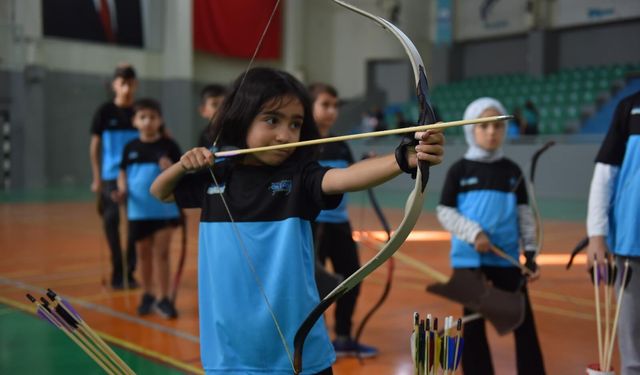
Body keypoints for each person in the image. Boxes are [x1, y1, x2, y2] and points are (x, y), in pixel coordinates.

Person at [150, 67, 444, 374]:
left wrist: (404, 158)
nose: (285, 135)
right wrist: (184, 166)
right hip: (230, 356)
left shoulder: (299, 177)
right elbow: (160, 191)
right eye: (272, 120)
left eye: (295, 124)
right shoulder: (215, 176)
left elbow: (344, 177)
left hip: (301, 356)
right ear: (241, 116)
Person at [436, 97, 545, 375]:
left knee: (523, 323)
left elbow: (524, 216)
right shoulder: (459, 170)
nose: (491, 132)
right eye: (483, 125)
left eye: (497, 125)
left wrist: (530, 254)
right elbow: (445, 212)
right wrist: (475, 234)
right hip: (469, 261)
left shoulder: (512, 171)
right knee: (472, 329)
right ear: (471, 129)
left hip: (506, 260)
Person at [307, 82, 378, 358]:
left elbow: (349, 176)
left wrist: (365, 164)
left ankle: (344, 336)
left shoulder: (339, 146)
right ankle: (316, 338)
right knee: (316, 283)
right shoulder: (303, 144)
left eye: (335, 105)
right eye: (325, 104)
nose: (331, 111)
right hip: (314, 224)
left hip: (340, 223)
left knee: (352, 277)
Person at [586, 90, 640, 375]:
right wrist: (597, 235)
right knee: (632, 339)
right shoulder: (630, 107)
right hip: (632, 244)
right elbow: (605, 174)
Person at [114, 98, 182, 318]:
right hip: (138, 212)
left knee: (161, 254)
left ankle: (164, 298)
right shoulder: (130, 148)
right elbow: (122, 174)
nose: (148, 121)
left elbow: (182, 173)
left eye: (152, 117)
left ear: (160, 120)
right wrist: (122, 189)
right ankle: (148, 294)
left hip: (164, 211)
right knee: (143, 256)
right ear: (135, 121)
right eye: (143, 117)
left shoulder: (169, 146)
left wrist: (170, 167)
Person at [89, 64, 139, 290]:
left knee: (135, 225)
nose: (126, 87)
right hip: (110, 177)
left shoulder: (141, 113)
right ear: (114, 86)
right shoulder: (104, 112)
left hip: (135, 177)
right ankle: (118, 272)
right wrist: (97, 178)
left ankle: (130, 272)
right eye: (122, 83)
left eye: (130, 83)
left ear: (135, 85)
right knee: (111, 222)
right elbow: (94, 147)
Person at [197, 84, 227, 148]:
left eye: (224, 104)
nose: (221, 108)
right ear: (203, 110)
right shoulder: (204, 136)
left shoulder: (235, 132)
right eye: (215, 104)